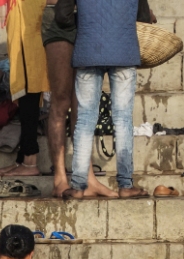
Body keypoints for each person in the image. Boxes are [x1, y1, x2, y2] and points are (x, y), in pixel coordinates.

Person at [64, 0, 146, 199]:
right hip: (123, 53)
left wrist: (84, 20)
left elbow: (61, 16)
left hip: (88, 51)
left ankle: (78, 186)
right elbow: (143, 17)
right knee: (123, 118)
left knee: (84, 119)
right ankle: (126, 185)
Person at [39, 0, 117, 197]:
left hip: (90, 17)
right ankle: (59, 178)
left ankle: (88, 177)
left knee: (83, 104)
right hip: (58, 16)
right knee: (61, 99)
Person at [0, 0, 49, 178]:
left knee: (29, 88)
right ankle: (22, 158)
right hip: (22, 15)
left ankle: (30, 161)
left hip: (31, 19)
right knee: (24, 89)